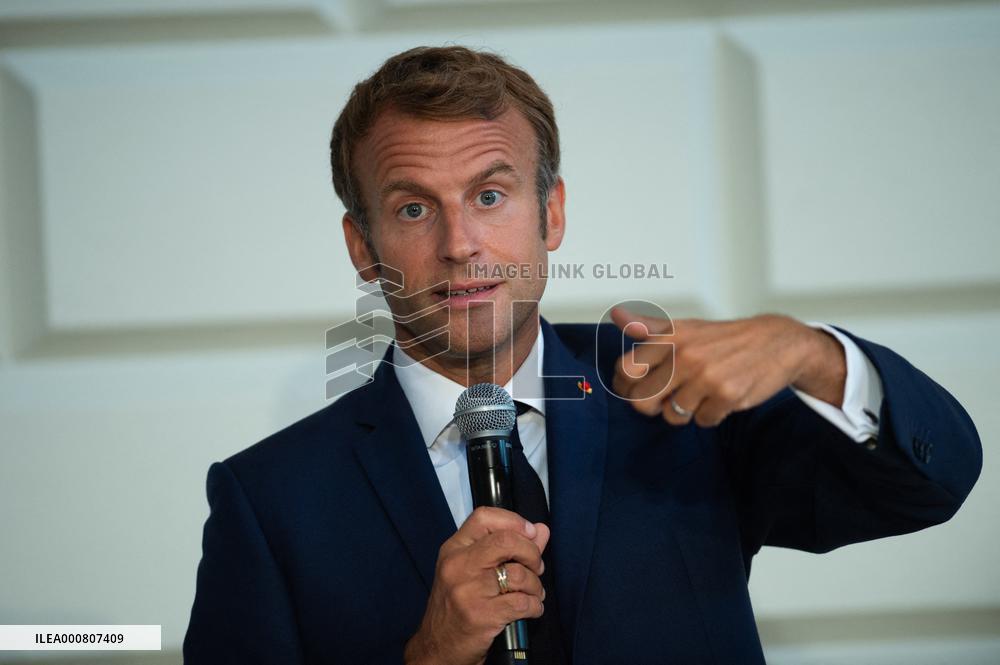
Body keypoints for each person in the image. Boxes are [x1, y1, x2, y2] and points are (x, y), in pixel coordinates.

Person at [183, 46, 982, 664]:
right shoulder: (268, 502)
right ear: (363, 245)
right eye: (414, 207)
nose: (461, 245)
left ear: (551, 212)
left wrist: (814, 355)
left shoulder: (673, 392)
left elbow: (931, 483)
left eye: (490, 195)